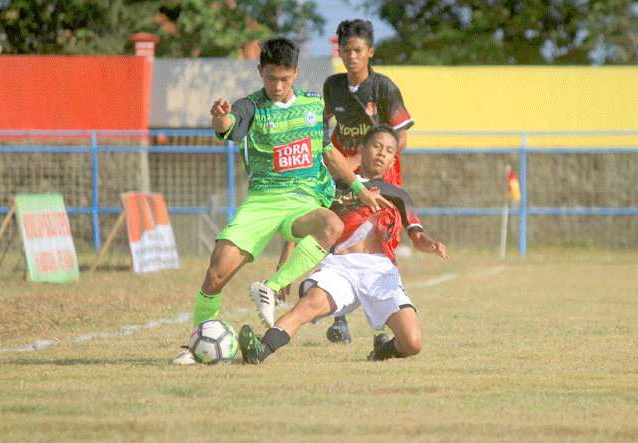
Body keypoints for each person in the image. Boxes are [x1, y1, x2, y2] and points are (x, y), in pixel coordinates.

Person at [172, 38, 391, 365]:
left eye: (284, 79)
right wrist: (220, 117)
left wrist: (358, 186)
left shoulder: (314, 106)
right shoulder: (251, 107)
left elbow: (327, 151)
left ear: (296, 74)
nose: (277, 86)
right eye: (271, 78)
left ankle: (270, 289)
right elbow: (229, 127)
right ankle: (196, 344)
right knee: (216, 272)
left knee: (331, 223)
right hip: (262, 202)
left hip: (302, 202)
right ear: (261, 72)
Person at [236, 125, 447, 365]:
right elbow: (310, 222)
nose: (381, 153)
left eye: (389, 151)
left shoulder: (398, 195)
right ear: (361, 149)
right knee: (308, 306)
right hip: (340, 266)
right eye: (377, 146)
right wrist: (286, 262)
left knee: (413, 342)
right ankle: (259, 349)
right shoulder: (332, 185)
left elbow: (416, 236)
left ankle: (382, 351)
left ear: (392, 161)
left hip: (379, 270)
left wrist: (429, 243)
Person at [275, 18, 418, 344]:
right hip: (340, 173)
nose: (350, 56)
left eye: (357, 50)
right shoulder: (333, 86)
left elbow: (402, 135)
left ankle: (386, 321)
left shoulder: (383, 88)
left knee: (375, 248)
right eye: (345, 50)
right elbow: (321, 129)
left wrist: (373, 162)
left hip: (376, 176)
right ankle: (331, 310)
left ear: (370, 51)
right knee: (325, 224)